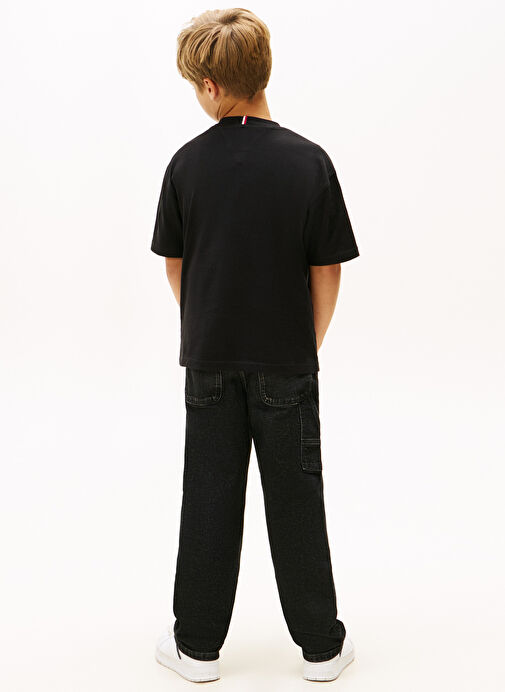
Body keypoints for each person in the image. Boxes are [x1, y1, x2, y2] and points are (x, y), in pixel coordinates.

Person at [151, 8, 360, 684]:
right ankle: (321, 649)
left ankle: (196, 649)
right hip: (286, 362)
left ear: (211, 86)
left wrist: (207, 323)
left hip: (209, 359)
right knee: (296, 499)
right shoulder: (309, 162)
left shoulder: (186, 164)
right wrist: (306, 342)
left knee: (208, 499)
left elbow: (175, 263)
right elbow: (326, 267)